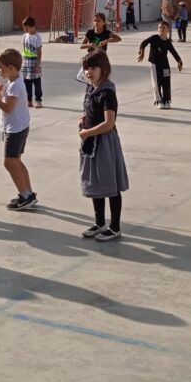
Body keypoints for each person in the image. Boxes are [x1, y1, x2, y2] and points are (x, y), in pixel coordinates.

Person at [78, 48, 128, 241]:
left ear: (104, 70)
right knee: (95, 183)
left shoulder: (107, 92)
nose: (89, 72)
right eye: (86, 68)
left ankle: (115, 227)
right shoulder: (91, 87)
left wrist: (87, 132)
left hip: (104, 142)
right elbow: (90, 109)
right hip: (90, 141)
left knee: (110, 183)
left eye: (93, 68)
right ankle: (99, 222)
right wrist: (84, 118)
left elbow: (109, 122)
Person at [0, 48, 36, 210]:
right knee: (16, 161)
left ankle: (25, 195)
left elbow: (8, 108)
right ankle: (28, 193)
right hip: (20, 127)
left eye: (1, 67)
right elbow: (9, 104)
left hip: (15, 130)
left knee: (9, 162)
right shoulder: (14, 83)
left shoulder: (14, 86)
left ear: (11, 68)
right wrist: (0, 94)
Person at [137, 20, 183, 109]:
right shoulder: (154, 38)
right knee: (157, 84)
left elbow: (174, 52)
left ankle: (166, 101)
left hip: (165, 65)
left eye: (163, 28)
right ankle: (159, 101)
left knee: (166, 83)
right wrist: (142, 53)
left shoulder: (168, 42)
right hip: (155, 65)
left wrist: (179, 62)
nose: (161, 29)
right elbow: (143, 43)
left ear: (168, 30)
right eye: (159, 27)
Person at [21, 16, 43, 108]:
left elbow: (39, 52)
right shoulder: (24, 36)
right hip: (25, 62)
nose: (25, 30)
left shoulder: (37, 37)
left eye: (26, 28)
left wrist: (38, 65)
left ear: (32, 26)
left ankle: (38, 100)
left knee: (36, 82)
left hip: (34, 62)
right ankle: (28, 100)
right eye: (24, 28)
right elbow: (23, 49)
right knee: (26, 82)